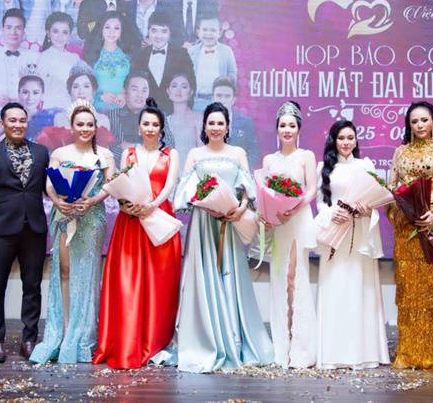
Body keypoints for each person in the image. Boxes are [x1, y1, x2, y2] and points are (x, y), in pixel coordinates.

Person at [152, 102, 274, 373]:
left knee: (230, 275)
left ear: (228, 127)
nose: (216, 128)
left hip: (230, 220)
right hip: (203, 224)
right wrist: (204, 202)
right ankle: (204, 339)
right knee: (203, 276)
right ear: (204, 127)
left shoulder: (238, 153)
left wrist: (240, 208)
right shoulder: (195, 154)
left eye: (220, 123)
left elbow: (247, 189)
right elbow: (184, 189)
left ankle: (233, 338)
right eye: (211, 123)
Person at [93, 98, 182, 369]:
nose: (150, 128)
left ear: (161, 128)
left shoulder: (171, 155)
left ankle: (154, 340)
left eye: (155, 124)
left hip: (159, 220)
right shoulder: (128, 153)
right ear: (139, 126)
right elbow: (121, 183)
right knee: (128, 281)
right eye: (146, 124)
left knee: (159, 284)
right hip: (131, 221)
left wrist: (151, 206)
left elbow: (169, 186)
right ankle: (127, 338)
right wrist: (125, 203)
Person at [30, 101, 115, 364]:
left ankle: (83, 335)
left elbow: (111, 185)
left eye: (90, 125)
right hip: (64, 214)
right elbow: (49, 184)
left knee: (86, 275)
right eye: (80, 124)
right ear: (72, 126)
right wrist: (57, 201)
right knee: (64, 271)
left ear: (96, 127)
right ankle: (64, 330)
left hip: (91, 217)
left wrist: (92, 200)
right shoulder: (59, 153)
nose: (85, 129)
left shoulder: (105, 155)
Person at [387, 101, 433, 371]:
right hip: (407, 226)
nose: (419, 125)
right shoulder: (400, 151)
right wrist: (402, 209)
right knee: (410, 291)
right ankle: (408, 353)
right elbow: (392, 187)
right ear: (409, 125)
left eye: (424, 120)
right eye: (414, 121)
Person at [0, 102, 50, 363]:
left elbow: (48, 188)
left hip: (34, 228)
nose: (18, 125)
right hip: (1, 230)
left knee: (33, 286)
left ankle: (29, 340)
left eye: (22, 120)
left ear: (27, 123)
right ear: (2, 124)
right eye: (12, 120)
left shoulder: (41, 152)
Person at [314, 120, 389, 369]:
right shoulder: (324, 167)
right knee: (335, 287)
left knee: (359, 288)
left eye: (350, 138)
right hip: (335, 233)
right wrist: (331, 213)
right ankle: (332, 354)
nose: (346, 142)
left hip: (359, 235)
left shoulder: (365, 165)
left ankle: (362, 353)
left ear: (356, 140)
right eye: (341, 138)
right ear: (334, 141)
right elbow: (320, 203)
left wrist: (366, 209)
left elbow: (375, 198)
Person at [260, 101, 317, 369]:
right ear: (276, 129)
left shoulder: (306, 156)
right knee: (280, 280)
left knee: (296, 278)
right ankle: (281, 346)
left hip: (298, 219)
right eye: (282, 125)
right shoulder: (269, 160)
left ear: (298, 129)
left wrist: (294, 208)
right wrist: (269, 213)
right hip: (279, 223)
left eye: (291, 125)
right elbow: (265, 193)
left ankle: (301, 346)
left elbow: (311, 189)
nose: (287, 130)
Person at [130, 11, 194, 115]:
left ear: (170, 33)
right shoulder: (139, 55)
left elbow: (191, 85)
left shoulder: (181, 55)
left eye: (164, 31)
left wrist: (184, 113)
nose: (158, 36)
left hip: (174, 113)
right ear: (148, 32)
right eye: (154, 30)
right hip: (146, 113)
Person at [0, 9, 39, 114]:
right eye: (9, 27)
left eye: (18, 28)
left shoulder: (35, 57)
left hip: (28, 115)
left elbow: (43, 90)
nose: (13, 32)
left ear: (24, 31)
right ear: (2, 30)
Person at [105, 70, 175, 164]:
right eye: (135, 89)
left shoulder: (158, 115)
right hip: (121, 168)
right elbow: (108, 148)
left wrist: (137, 148)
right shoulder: (112, 116)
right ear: (125, 92)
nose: (140, 95)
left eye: (144, 90)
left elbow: (170, 144)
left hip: (152, 166)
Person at [83, 11, 131, 111]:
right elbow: (83, 85)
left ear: (121, 31)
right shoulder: (91, 55)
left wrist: (124, 94)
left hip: (123, 110)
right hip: (97, 109)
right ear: (101, 29)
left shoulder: (128, 55)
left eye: (116, 28)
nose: (111, 32)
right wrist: (100, 95)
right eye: (107, 27)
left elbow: (133, 82)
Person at [188, 15, 236, 112]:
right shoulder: (191, 51)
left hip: (219, 100)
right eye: (205, 30)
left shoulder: (226, 51)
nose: (208, 34)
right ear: (198, 32)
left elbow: (232, 74)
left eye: (213, 30)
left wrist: (226, 96)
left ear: (220, 33)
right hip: (197, 100)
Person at [211, 76, 260, 168]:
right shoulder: (203, 122)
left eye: (227, 96)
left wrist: (242, 170)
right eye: (219, 96)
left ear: (233, 100)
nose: (222, 100)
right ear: (213, 98)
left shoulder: (245, 122)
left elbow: (254, 152)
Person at [37, 12, 81, 111]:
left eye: (64, 32)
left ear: (69, 35)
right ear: (48, 33)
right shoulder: (42, 58)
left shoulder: (75, 58)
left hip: (72, 106)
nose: (60, 37)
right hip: (51, 107)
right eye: (56, 31)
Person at [165, 71, 201, 170]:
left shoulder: (199, 119)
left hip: (191, 174)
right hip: (168, 174)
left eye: (184, 87)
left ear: (191, 92)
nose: (178, 90)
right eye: (174, 86)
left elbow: (203, 154)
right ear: (168, 91)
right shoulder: (164, 121)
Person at [17, 73, 58, 141]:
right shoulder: (11, 118)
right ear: (19, 93)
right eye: (25, 92)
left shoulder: (50, 118)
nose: (30, 97)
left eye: (35, 93)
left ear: (42, 95)